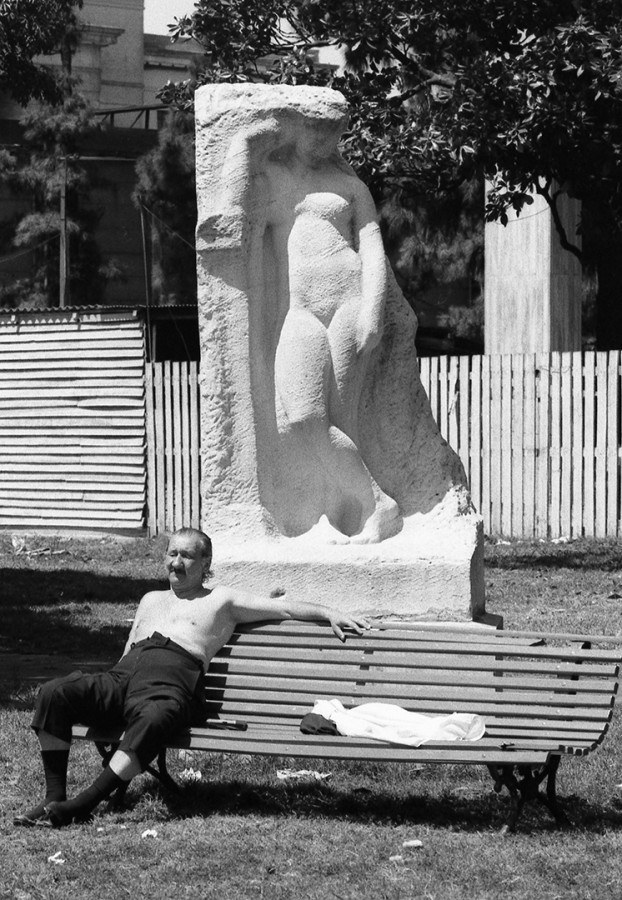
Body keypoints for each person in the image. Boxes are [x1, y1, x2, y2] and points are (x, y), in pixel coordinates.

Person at [14, 526, 369, 829]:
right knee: (54, 692)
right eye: (171, 554)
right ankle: (53, 798)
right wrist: (110, 688)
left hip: (171, 682)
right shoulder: (150, 599)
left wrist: (328, 612)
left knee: (155, 718)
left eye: (186, 556)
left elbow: (284, 607)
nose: (176, 563)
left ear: (205, 565)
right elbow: (126, 649)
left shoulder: (222, 601)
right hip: (123, 676)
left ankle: (83, 805)